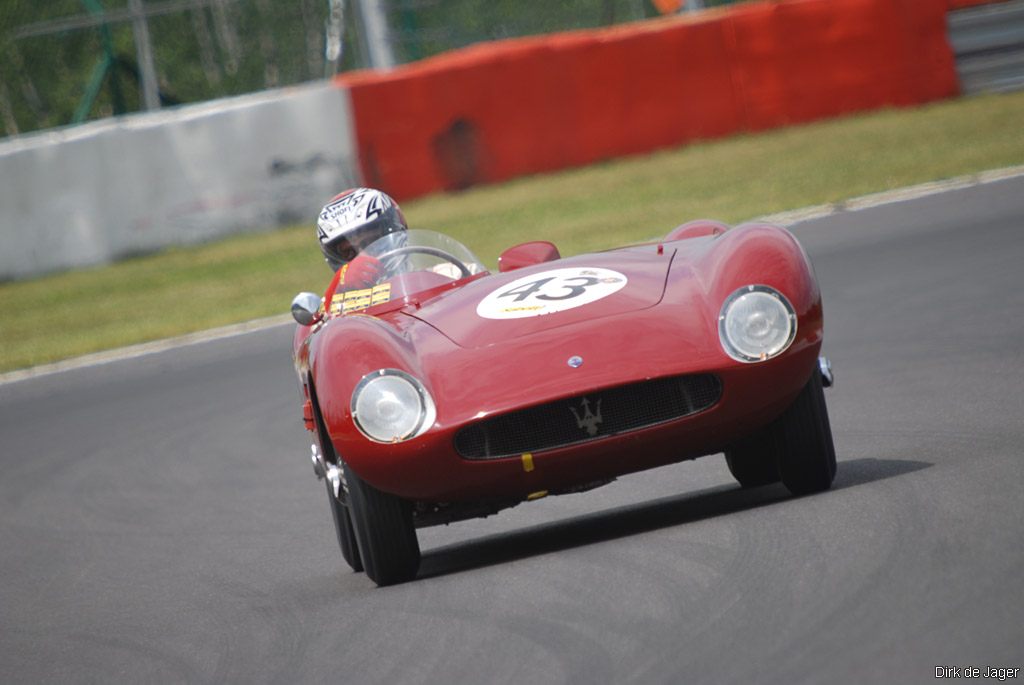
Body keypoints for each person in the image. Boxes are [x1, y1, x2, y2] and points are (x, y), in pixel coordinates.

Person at [316, 187, 408, 316]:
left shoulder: (439, 275)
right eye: (349, 252)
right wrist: (339, 284)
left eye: (370, 243)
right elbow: (317, 327)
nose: (362, 256)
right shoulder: (333, 307)